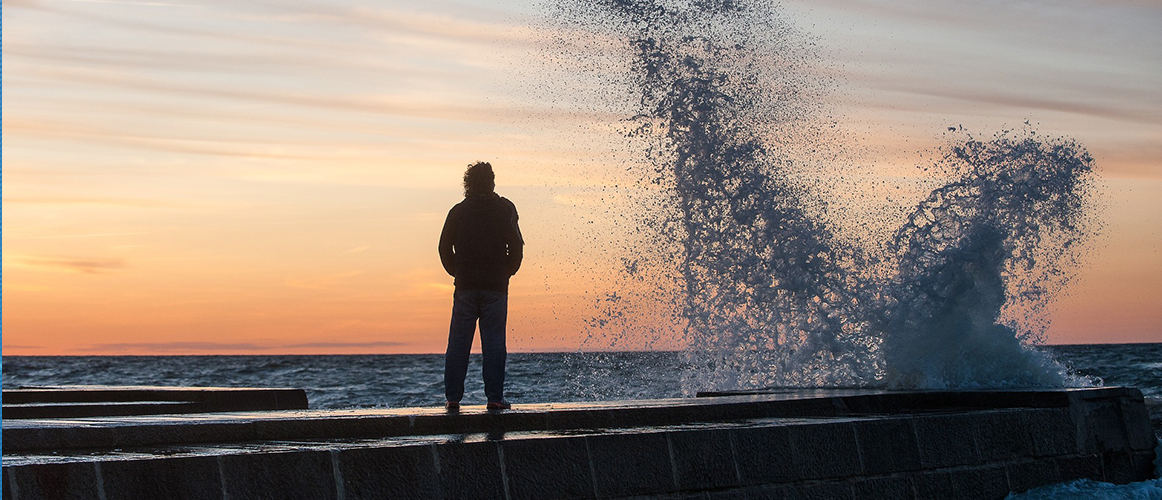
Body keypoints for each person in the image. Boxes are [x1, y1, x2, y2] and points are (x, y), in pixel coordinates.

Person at [438, 161, 523, 411]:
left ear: (467, 183)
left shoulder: (458, 211)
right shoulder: (505, 208)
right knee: (494, 342)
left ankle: (453, 398)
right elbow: (516, 246)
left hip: (466, 285)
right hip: (495, 286)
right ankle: (494, 399)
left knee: (458, 343)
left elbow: (444, 248)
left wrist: (458, 272)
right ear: (492, 181)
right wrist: (506, 272)